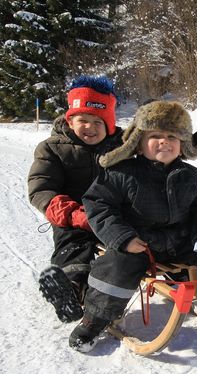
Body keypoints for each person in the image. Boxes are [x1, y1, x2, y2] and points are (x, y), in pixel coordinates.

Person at [69, 100, 197, 352]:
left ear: (183, 144)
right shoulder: (121, 172)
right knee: (116, 266)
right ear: (138, 142)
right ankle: (95, 318)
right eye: (155, 136)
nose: (164, 141)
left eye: (172, 136)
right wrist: (123, 237)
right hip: (139, 244)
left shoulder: (193, 177)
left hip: (182, 241)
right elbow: (98, 204)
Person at [28, 76, 123, 323]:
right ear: (70, 120)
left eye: (97, 122)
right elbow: (41, 189)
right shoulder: (52, 149)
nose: (89, 127)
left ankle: (187, 277)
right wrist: (72, 214)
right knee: (74, 245)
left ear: (110, 125)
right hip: (74, 216)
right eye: (83, 120)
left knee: (150, 237)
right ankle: (70, 288)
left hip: (114, 215)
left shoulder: (122, 148)